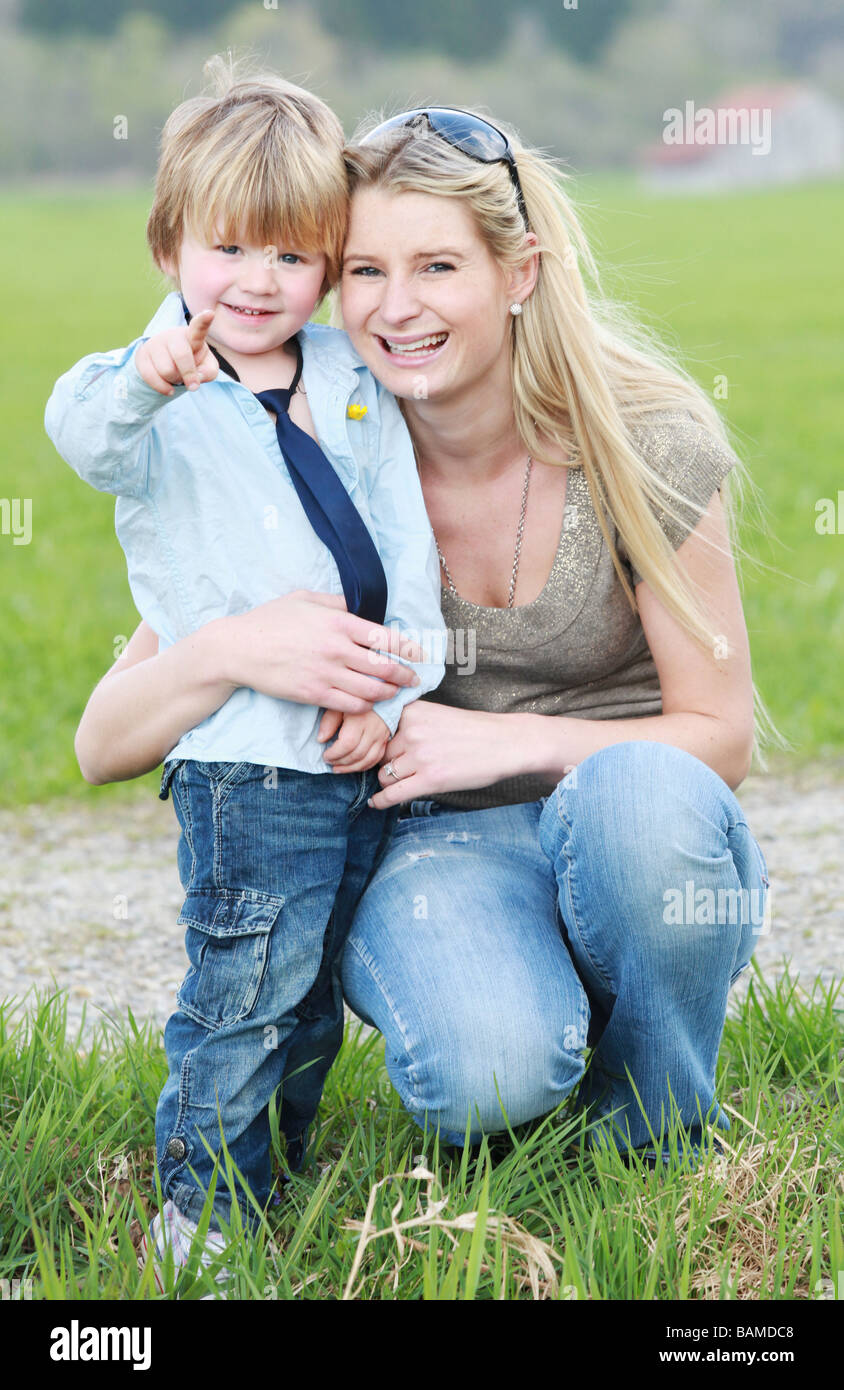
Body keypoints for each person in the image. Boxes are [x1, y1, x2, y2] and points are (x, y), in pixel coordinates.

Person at [72, 103, 773, 1181]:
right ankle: (536, 1032)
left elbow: (720, 738)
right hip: (441, 849)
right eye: (360, 271)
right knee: (484, 1071)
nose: (396, 309)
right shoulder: (307, 445)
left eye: (438, 265)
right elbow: (101, 743)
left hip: (632, 824)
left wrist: (504, 743)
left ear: (519, 270)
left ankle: (657, 1129)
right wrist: (231, 650)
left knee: (643, 805)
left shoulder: (648, 441)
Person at [44, 64, 446, 1287]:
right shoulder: (146, 392)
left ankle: (273, 1166)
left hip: (341, 742)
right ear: (171, 244)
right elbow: (86, 439)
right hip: (239, 758)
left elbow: (403, 544)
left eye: (292, 255)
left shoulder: (348, 381)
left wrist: (391, 692)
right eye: (227, 248)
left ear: (326, 266)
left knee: (312, 986)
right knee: (245, 983)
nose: (258, 282)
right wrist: (152, 372)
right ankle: (198, 1214)